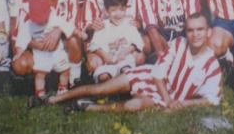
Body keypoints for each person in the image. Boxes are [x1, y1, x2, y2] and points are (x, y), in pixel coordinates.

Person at [47, 12, 221, 113]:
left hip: (164, 97)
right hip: (151, 79)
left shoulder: (212, 65)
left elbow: (211, 99)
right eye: (190, 30)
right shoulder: (178, 44)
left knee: (132, 105)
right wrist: (169, 101)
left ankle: (88, 107)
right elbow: (158, 73)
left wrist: (183, 103)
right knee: (100, 89)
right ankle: (55, 99)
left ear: (209, 32)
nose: (195, 35)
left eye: (200, 30)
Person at [12, 0, 85, 89]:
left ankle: (74, 80)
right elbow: (18, 34)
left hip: (62, 45)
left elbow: (75, 26)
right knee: (20, 64)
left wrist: (58, 30)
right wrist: (37, 44)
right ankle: (37, 80)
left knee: (74, 40)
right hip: (37, 46)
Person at [87, 0, 144, 82]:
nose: (118, 14)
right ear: (106, 11)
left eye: (122, 9)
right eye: (113, 10)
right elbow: (94, 45)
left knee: (126, 71)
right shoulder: (103, 26)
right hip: (108, 62)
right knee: (103, 76)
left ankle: (127, 91)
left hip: (125, 60)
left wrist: (125, 52)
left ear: (126, 9)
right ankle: (107, 93)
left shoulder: (129, 24)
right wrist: (105, 56)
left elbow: (138, 42)